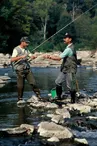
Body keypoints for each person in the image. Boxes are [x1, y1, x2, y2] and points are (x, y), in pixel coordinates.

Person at [44, 33, 77, 103]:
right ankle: (59, 97)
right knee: (58, 82)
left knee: (70, 85)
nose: (64, 39)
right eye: (64, 38)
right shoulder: (68, 47)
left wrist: (49, 57)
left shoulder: (69, 49)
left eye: (66, 38)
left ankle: (73, 100)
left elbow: (59, 58)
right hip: (65, 68)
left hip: (70, 69)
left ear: (70, 39)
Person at [11, 36, 41, 101]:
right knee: (20, 86)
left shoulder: (26, 49)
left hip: (27, 69)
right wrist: (21, 57)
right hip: (19, 70)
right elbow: (12, 59)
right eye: (26, 42)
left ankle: (39, 96)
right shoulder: (16, 49)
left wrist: (33, 57)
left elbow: (30, 56)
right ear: (22, 42)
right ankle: (20, 98)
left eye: (28, 42)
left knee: (33, 83)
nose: (28, 44)